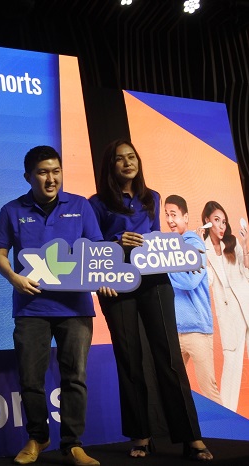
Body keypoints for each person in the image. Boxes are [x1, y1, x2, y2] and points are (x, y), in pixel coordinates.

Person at [88, 139, 212, 461]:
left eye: (132, 157)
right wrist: (117, 242)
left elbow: (157, 240)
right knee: (130, 359)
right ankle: (141, 435)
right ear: (110, 166)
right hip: (117, 284)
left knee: (169, 357)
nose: (128, 162)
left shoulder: (151, 197)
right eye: (120, 159)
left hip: (154, 281)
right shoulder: (96, 203)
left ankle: (191, 436)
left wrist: (182, 257)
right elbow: (91, 246)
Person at [0, 145, 102, 466]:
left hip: (75, 307)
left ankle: (73, 444)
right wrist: (13, 277)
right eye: (42, 172)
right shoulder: (12, 210)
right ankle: (38, 437)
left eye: (56, 171)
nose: (51, 178)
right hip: (31, 308)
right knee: (30, 378)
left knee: (74, 377)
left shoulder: (80, 206)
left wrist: (102, 275)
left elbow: (97, 250)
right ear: (28, 176)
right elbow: (0, 254)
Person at [163, 195, 222, 404]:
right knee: (172, 388)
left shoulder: (195, 243)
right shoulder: (169, 246)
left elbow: (190, 281)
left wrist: (164, 269)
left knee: (208, 389)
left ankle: (225, 426)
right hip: (175, 331)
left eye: (174, 214)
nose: (170, 220)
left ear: (185, 217)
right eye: (166, 215)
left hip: (197, 330)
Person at [201, 200, 249, 412]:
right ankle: (227, 413)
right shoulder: (203, 248)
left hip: (246, 303)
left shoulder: (233, 242)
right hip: (228, 312)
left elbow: (246, 274)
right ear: (207, 221)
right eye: (216, 220)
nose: (221, 226)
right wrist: (198, 249)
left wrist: (245, 247)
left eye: (224, 221)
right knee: (232, 363)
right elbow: (208, 281)